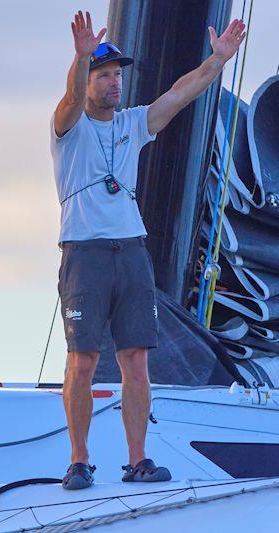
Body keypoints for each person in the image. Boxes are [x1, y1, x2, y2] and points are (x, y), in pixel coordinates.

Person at [51, 11, 246, 490]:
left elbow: (180, 94)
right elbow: (73, 98)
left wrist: (216, 61)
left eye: (118, 75)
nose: (116, 83)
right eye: (106, 75)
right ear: (89, 79)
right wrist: (80, 58)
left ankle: (139, 460)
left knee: (136, 360)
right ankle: (79, 460)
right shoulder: (68, 128)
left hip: (131, 251)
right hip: (85, 252)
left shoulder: (133, 123)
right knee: (83, 361)